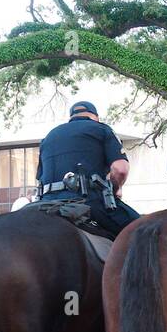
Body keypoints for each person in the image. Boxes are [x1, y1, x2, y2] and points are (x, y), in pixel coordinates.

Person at [36, 100, 140, 237]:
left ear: (71, 117)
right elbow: (120, 169)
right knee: (144, 231)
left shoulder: (48, 137)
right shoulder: (101, 129)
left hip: (45, 204)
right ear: (95, 117)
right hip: (87, 200)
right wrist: (116, 189)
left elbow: (39, 177)